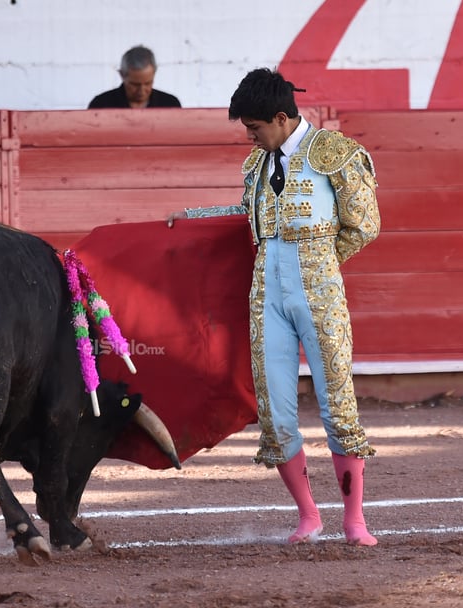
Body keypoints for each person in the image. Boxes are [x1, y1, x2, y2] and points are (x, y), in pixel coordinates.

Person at [168, 68, 381, 546]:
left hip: (319, 291)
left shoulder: (335, 154)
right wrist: (191, 219)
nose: (249, 135)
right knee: (275, 410)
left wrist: (319, 262)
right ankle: (309, 516)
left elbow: (364, 224)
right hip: (266, 293)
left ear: (281, 118)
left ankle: (354, 520)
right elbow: (246, 217)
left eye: (254, 127)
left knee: (338, 406)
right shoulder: (256, 165)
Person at [88, 45, 181, 109]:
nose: (141, 90)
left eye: (148, 83)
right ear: (122, 75)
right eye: (135, 85)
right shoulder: (101, 105)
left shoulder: (170, 104)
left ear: (154, 74)